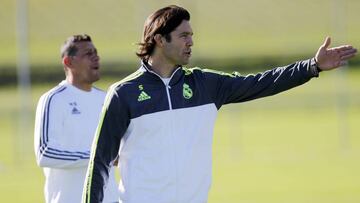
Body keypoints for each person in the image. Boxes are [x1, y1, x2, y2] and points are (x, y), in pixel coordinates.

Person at [82, 5, 357, 203]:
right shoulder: (124, 93)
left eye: (192, 35)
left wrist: (311, 66)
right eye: (183, 36)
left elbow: (262, 82)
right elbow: (100, 161)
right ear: (158, 39)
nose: (191, 42)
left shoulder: (206, 85)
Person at [34, 34, 119, 203]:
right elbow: (45, 153)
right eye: (88, 53)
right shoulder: (54, 99)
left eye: (96, 52)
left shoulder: (107, 99)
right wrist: (96, 156)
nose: (96, 57)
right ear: (68, 62)